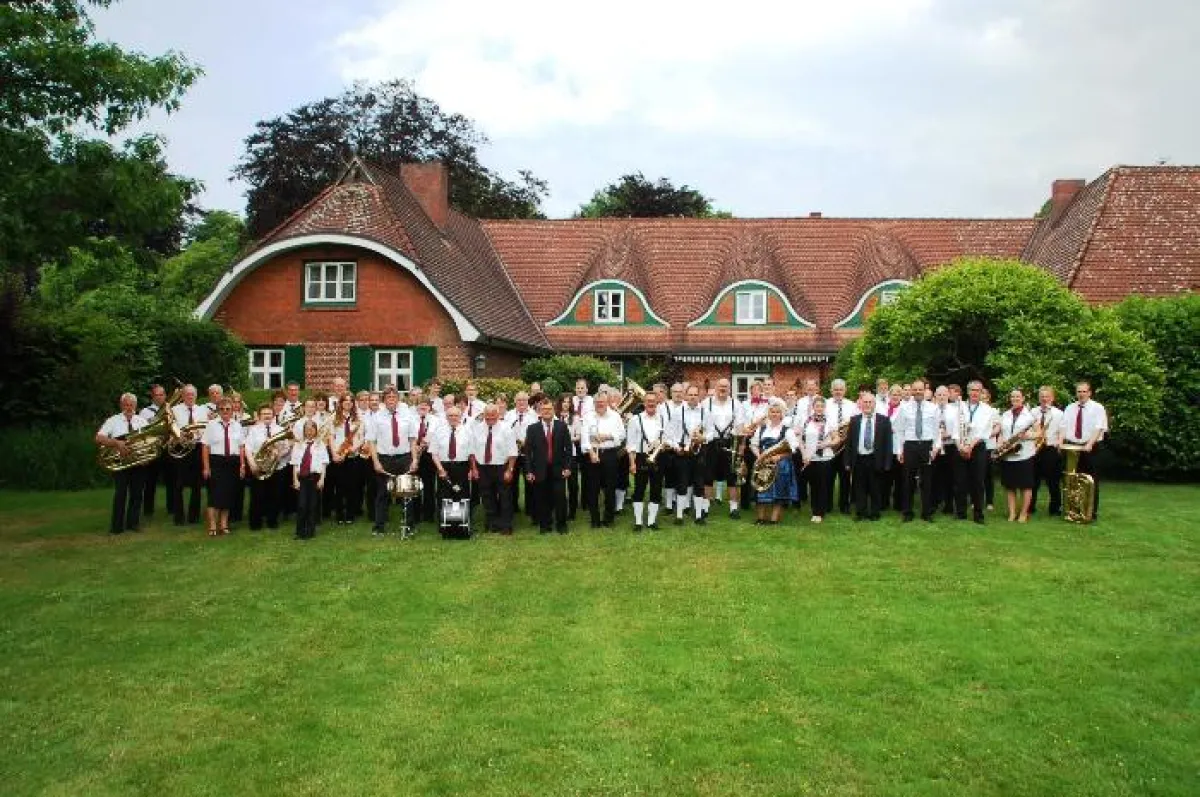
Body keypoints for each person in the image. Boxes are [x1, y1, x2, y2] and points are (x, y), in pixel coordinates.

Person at [366, 388, 417, 536]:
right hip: (385, 458)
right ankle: (379, 527)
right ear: (384, 400)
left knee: (407, 493)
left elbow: (412, 440)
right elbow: (372, 442)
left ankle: (409, 526)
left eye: (394, 397)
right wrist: (376, 462)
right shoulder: (376, 417)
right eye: (388, 397)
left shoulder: (407, 416)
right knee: (382, 494)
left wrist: (414, 460)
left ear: (398, 399)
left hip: (404, 458)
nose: (391, 399)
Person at [96, 392, 148, 535]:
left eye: (131, 404)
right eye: (126, 404)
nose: (129, 407)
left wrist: (146, 458)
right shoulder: (113, 421)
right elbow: (99, 438)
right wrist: (116, 443)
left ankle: (133, 523)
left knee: (137, 494)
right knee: (120, 494)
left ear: (136, 406)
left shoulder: (142, 421)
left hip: (137, 463)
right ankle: (117, 527)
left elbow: (148, 441)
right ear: (121, 405)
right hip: (120, 463)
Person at [894, 378, 940, 522]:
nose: (918, 392)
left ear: (925, 390)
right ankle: (907, 512)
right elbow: (899, 430)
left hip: (926, 445)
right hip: (910, 446)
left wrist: (936, 448)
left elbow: (937, 430)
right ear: (912, 391)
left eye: (921, 389)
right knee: (908, 481)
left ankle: (926, 513)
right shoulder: (904, 407)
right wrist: (899, 450)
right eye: (915, 389)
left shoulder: (933, 408)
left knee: (927, 481)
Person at [525, 398, 573, 533]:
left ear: (553, 410)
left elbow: (568, 449)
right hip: (539, 470)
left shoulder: (562, 427)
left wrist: (568, 467)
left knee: (560, 498)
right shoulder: (532, 429)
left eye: (549, 409)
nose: (546, 412)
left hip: (558, 469)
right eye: (544, 409)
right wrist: (529, 471)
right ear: (539, 411)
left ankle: (562, 525)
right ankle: (544, 525)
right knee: (542, 498)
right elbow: (528, 453)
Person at [1062, 381, 1108, 520]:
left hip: (1090, 447)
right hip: (1073, 447)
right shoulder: (1070, 407)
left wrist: (1089, 444)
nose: (1081, 394)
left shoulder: (1097, 408)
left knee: (1090, 480)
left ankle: (1090, 512)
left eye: (1084, 391)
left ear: (1089, 393)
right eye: (1079, 391)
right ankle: (1073, 510)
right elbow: (1063, 425)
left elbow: (1099, 427)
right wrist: (1060, 441)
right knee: (1073, 480)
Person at [844, 392, 893, 521]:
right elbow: (849, 442)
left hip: (875, 459)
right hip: (859, 459)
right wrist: (847, 461)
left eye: (870, 402)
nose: (867, 405)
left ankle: (875, 513)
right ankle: (861, 512)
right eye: (865, 402)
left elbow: (888, 443)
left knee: (875, 487)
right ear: (861, 404)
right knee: (860, 487)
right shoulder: (854, 420)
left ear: (874, 404)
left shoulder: (884, 420)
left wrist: (887, 463)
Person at [200, 398, 245, 536]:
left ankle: (224, 524)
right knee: (214, 495)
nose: (225, 411)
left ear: (232, 410)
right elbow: (205, 447)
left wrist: (242, 465)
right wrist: (206, 467)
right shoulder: (211, 425)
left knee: (228, 495)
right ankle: (213, 525)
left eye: (228, 409)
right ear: (218, 410)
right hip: (216, 462)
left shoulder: (237, 425)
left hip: (232, 462)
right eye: (222, 409)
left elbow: (241, 447)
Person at [471, 404, 518, 534]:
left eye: (493, 415)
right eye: (487, 415)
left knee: (505, 497)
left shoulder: (506, 428)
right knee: (487, 496)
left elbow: (513, 452)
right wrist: (474, 468)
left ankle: (506, 525)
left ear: (498, 415)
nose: (490, 418)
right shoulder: (477, 429)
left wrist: (510, 470)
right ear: (484, 415)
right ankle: (492, 523)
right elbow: (472, 451)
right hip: (483, 467)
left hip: (501, 467)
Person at [581, 392, 625, 528]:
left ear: (607, 402)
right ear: (594, 403)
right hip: (592, 454)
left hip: (610, 455)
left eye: (602, 402)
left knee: (610, 488)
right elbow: (584, 438)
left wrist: (608, 436)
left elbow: (622, 435)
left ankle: (609, 519)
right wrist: (591, 453)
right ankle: (595, 520)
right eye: (597, 402)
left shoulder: (615, 416)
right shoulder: (588, 417)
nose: (600, 404)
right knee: (592, 489)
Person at [626, 392, 668, 531]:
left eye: (653, 401)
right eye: (648, 401)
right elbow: (630, 444)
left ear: (657, 403)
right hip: (641, 457)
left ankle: (651, 521)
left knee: (656, 489)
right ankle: (638, 522)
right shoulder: (635, 420)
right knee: (639, 489)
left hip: (658, 457)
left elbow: (668, 439)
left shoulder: (664, 419)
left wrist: (664, 445)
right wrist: (632, 463)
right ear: (644, 403)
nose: (651, 403)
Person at [703, 378, 744, 519]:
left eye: (726, 386)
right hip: (710, 442)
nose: (723, 389)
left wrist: (741, 446)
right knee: (708, 476)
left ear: (729, 388)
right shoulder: (706, 403)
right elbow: (701, 424)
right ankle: (705, 506)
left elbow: (740, 426)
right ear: (716, 387)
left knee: (732, 476)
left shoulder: (736, 404)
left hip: (729, 442)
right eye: (720, 386)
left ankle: (733, 508)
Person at [752, 404, 799, 525]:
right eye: (772, 412)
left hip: (781, 464)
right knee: (762, 489)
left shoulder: (787, 430)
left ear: (781, 415)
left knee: (779, 492)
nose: (775, 414)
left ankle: (774, 519)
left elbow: (793, 448)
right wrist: (759, 456)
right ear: (768, 414)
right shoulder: (761, 429)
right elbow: (754, 444)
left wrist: (779, 456)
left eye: (777, 412)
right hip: (763, 464)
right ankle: (760, 518)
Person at [430, 406, 474, 536]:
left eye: (456, 416)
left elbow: (472, 453)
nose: (453, 418)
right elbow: (434, 453)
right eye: (450, 416)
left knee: (461, 495)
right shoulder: (439, 432)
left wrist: (472, 469)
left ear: (460, 417)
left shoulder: (467, 431)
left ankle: (461, 525)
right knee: (444, 496)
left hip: (462, 467)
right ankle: (445, 526)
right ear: (446, 417)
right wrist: (440, 469)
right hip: (444, 467)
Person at [997, 388, 1038, 522]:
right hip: (1008, 455)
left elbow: (1040, 434)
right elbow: (1002, 433)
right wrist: (1000, 444)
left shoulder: (1031, 415)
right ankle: (1012, 513)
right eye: (1013, 397)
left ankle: (1023, 513)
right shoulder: (1005, 414)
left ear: (1023, 398)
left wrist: (1028, 435)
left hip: (1024, 454)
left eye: (1018, 397)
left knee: (1025, 486)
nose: (1015, 399)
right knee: (1010, 486)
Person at [171, 385, 209, 527]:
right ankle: (178, 517)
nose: (190, 397)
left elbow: (206, 428)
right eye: (187, 394)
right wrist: (179, 436)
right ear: (182, 396)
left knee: (197, 484)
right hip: (181, 447)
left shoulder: (202, 410)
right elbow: (171, 427)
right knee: (178, 484)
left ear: (196, 396)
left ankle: (194, 516)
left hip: (197, 447)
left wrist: (200, 434)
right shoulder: (175, 410)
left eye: (192, 394)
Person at [960, 381, 997, 524]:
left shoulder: (987, 409)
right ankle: (961, 512)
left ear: (981, 393)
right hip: (962, 446)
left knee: (978, 481)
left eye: (978, 390)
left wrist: (970, 446)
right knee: (961, 480)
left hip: (978, 447)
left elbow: (983, 431)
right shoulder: (960, 407)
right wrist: (962, 446)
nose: (975, 393)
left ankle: (978, 514)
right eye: (972, 390)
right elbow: (957, 426)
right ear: (968, 391)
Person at [243, 404, 285, 531]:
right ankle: (255, 523)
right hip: (258, 467)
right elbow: (248, 448)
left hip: (275, 468)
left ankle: (272, 521)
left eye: (269, 414)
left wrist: (279, 454)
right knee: (257, 496)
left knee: (274, 495)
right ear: (260, 416)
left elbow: (286, 446)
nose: (267, 416)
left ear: (273, 415)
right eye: (264, 414)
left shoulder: (279, 429)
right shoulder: (254, 430)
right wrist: (252, 464)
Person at [674, 385, 708, 525]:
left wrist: (703, 438)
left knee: (699, 484)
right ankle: (679, 516)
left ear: (699, 397)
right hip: (683, 451)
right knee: (682, 483)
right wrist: (677, 447)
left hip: (699, 451)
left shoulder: (705, 412)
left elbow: (711, 431)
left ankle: (699, 516)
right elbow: (670, 433)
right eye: (690, 395)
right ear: (686, 396)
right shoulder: (677, 412)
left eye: (695, 395)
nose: (693, 397)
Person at [825, 379, 860, 514]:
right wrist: (833, 439)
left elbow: (856, 424)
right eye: (836, 389)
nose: (838, 392)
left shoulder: (852, 405)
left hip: (846, 447)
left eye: (841, 389)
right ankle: (827, 505)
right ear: (831, 390)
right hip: (830, 446)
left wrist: (846, 437)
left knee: (845, 477)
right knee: (828, 477)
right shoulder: (826, 404)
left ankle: (844, 505)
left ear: (845, 390)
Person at [932, 385, 967, 519]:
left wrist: (949, 434)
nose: (941, 397)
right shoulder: (932, 411)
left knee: (955, 478)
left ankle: (957, 509)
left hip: (952, 446)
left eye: (944, 394)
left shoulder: (954, 411)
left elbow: (959, 429)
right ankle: (935, 505)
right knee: (937, 478)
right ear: (935, 396)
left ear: (948, 396)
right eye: (939, 395)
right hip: (936, 447)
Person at [1030, 386, 1065, 516]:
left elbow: (1062, 431)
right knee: (1033, 480)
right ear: (1039, 398)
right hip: (1035, 448)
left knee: (1053, 481)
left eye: (1047, 396)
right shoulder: (1033, 412)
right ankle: (1030, 507)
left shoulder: (1059, 413)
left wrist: (1060, 445)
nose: (1045, 399)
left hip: (1051, 448)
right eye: (1042, 396)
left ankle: (1055, 508)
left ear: (1052, 398)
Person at [329, 394, 363, 525]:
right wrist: (334, 454)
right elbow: (331, 437)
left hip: (353, 456)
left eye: (350, 401)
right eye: (345, 401)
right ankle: (339, 514)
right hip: (338, 455)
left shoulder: (358, 418)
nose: (348, 403)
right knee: (339, 487)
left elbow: (361, 437)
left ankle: (350, 514)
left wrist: (353, 449)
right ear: (341, 403)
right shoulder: (334, 417)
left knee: (352, 487)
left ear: (353, 403)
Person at [291, 419, 327, 540]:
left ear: (316, 431)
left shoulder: (320, 445)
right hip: (302, 478)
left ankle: (310, 531)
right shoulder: (298, 445)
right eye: (307, 430)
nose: (310, 432)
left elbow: (323, 463)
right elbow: (295, 463)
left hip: (314, 478)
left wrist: (322, 479)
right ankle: (299, 531)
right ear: (304, 431)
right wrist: (295, 480)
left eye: (312, 429)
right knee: (302, 505)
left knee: (312, 505)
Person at [138, 383, 170, 519]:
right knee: (150, 481)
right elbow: (142, 431)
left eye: (161, 394)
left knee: (171, 480)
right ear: (152, 396)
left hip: (167, 447)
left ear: (165, 396)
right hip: (152, 448)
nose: (159, 397)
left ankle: (172, 508)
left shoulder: (170, 409)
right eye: (156, 394)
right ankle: (148, 510)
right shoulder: (145, 412)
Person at [504, 391, 537, 518]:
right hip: (513, 454)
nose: (521, 402)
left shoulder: (534, 415)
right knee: (512, 482)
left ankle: (530, 508)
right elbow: (505, 432)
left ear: (528, 401)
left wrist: (526, 442)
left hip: (529, 453)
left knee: (530, 481)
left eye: (524, 400)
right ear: (515, 401)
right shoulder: (509, 415)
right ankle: (513, 507)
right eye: (519, 400)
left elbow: (536, 433)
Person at [558, 394, 583, 520]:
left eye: (568, 402)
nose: (566, 404)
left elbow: (578, 436)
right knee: (558, 485)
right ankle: (559, 509)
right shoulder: (555, 417)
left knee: (573, 485)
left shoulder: (575, 418)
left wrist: (567, 440)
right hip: (557, 456)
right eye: (563, 401)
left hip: (571, 455)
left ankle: (572, 512)